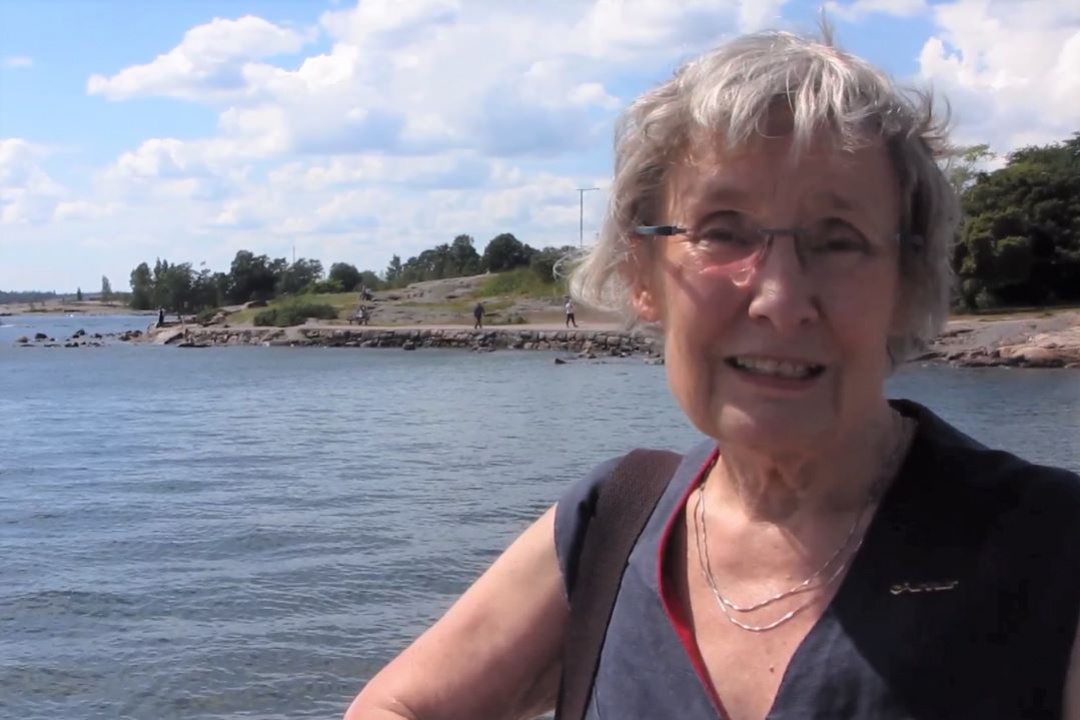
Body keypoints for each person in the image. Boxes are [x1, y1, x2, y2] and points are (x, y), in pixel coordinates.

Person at [346, 26, 1080, 720]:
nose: (780, 299)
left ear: (907, 283)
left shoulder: (1050, 548)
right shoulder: (612, 522)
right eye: (723, 232)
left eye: (838, 240)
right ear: (642, 275)